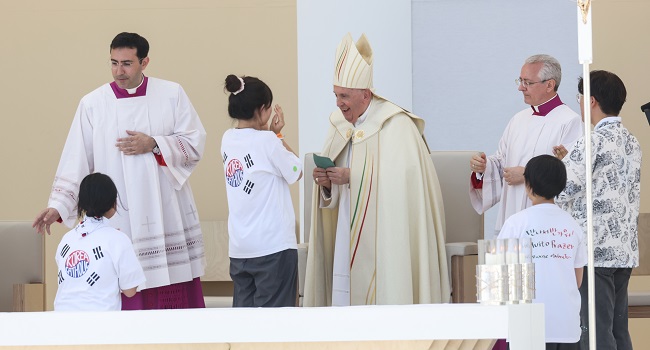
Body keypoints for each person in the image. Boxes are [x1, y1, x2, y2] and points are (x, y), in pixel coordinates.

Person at [33, 32, 207, 310]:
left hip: (162, 205)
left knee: (169, 287)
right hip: (118, 212)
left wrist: (154, 143)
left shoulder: (171, 93)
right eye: (113, 63)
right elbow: (77, 157)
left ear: (144, 62)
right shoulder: (92, 103)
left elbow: (195, 142)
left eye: (127, 63)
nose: (119, 71)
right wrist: (58, 205)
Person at [304, 33, 449, 306]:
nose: (338, 103)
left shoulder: (396, 124)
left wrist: (353, 176)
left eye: (344, 95)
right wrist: (326, 183)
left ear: (366, 94)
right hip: (346, 227)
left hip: (387, 236)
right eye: (336, 95)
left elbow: (402, 182)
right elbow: (334, 182)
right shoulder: (338, 123)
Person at [555, 70, 642, 350]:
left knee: (595, 330)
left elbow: (563, 190)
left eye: (580, 97)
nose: (579, 103)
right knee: (618, 328)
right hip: (624, 249)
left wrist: (562, 166)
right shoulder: (632, 142)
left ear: (591, 101)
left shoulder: (590, 141)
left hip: (595, 249)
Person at [469, 54, 583, 236]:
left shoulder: (570, 122)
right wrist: (485, 167)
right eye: (520, 81)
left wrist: (526, 174)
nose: (520, 88)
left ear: (549, 85)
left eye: (528, 83)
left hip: (547, 226)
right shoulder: (518, 120)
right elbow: (502, 162)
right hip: (513, 216)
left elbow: (571, 173)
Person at [220, 74, 302, 307]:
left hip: (240, 249)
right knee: (273, 328)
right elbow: (296, 170)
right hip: (272, 248)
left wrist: (267, 133)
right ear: (263, 109)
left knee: (246, 328)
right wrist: (276, 134)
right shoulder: (268, 142)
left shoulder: (227, 139)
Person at [497, 155, 587, 349]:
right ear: (561, 186)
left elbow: (501, 277)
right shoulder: (573, 225)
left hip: (526, 324)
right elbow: (577, 280)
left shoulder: (515, 223)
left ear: (528, 185)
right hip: (566, 325)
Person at [54, 173, 146, 311]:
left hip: (61, 322)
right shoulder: (118, 239)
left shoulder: (67, 239)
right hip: (101, 324)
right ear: (112, 202)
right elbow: (130, 291)